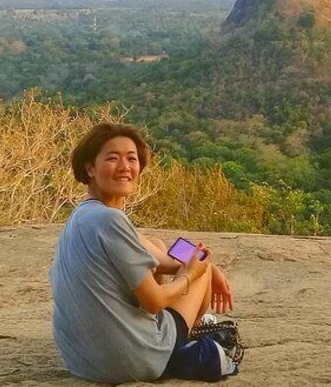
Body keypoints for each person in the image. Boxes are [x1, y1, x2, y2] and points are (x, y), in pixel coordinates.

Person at [49, 123, 235, 384]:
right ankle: (177, 344)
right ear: (90, 168)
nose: (125, 166)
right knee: (197, 276)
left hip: (85, 362)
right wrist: (193, 275)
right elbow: (154, 302)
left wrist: (210, 265)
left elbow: (162, 255)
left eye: (132, 158)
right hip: (130, 361)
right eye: (113, 158)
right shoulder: (110, 220)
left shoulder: (87, 214)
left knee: (159, 244)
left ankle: (166, 333)